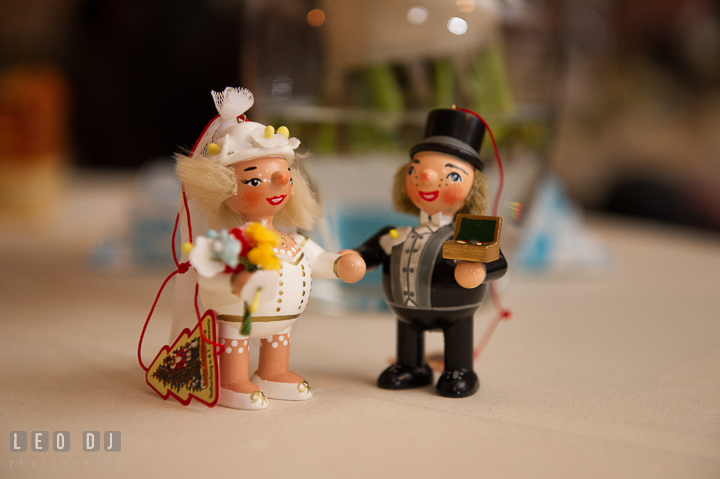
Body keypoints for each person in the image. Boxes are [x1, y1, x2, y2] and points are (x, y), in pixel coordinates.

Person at [175, 87, 365, 410]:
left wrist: (340, 263)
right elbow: (205, 269)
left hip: (282, 320)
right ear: (225, 188)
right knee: (236, 336)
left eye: (285, 173)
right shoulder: (233, 243)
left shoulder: (293, 240)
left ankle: (273, 371)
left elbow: (317, 258)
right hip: (239, 317)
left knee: (278, 338)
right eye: (253, 180)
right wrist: (231, 280)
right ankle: (232, 380)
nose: (279, 182)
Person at [351, 108, 507, 398]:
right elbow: (368, 253)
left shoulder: (469, 234)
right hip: (407, 311)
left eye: (451, 175)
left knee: (458, 331)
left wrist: (480, 270)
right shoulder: (394, 234)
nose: (425, 177)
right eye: (416, 169)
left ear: (474, 189)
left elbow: (498, 261)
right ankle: (411, 365)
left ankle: (460, 369)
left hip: (456, 311)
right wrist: (356, 259)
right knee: (408, 332)